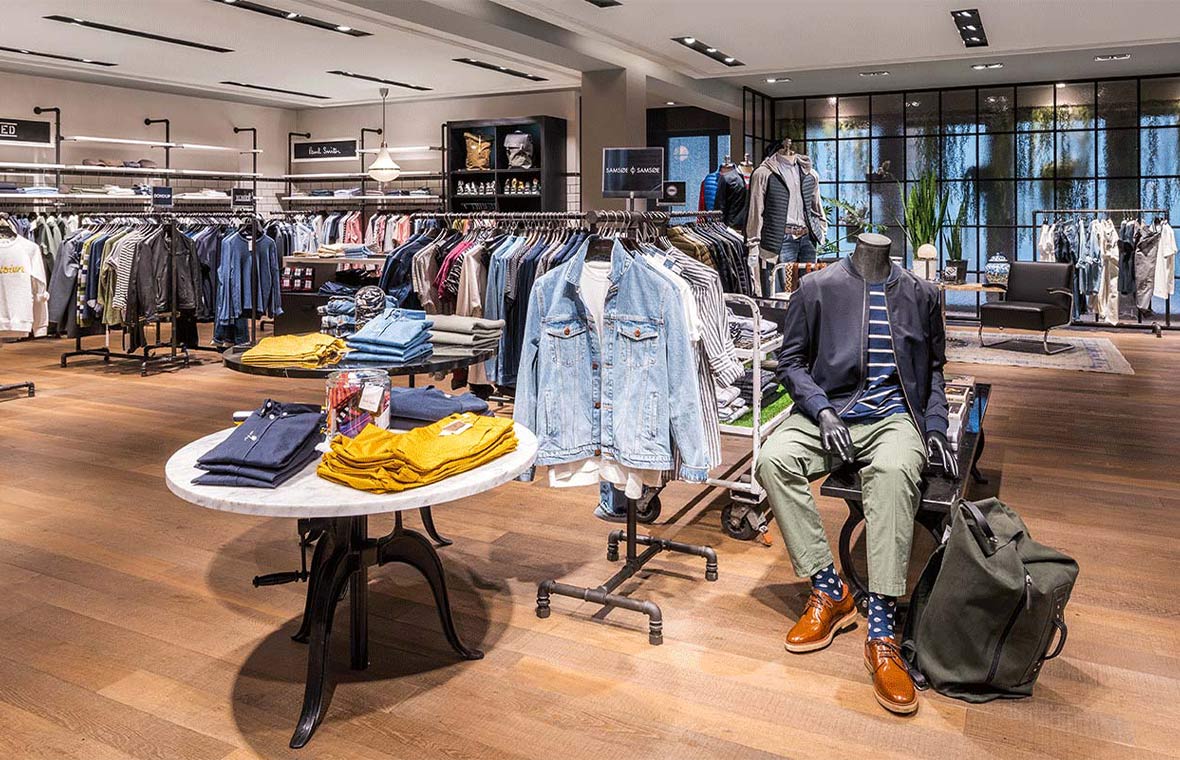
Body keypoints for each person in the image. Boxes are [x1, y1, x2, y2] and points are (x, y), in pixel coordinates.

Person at [755, 233, 957, 715]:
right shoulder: (817, 287)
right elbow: (790, 362)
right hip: (830, 414)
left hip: (894, 418)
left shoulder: (922, 294)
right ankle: (830, 589)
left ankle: (882, 628)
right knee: (773, 459)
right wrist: (821, 409)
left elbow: (934, 371)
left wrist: (934, 426)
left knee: (892, 471)